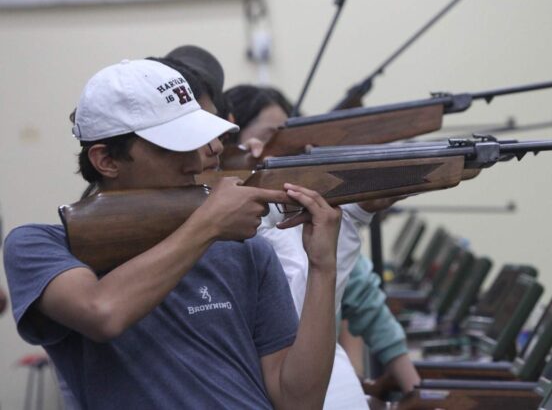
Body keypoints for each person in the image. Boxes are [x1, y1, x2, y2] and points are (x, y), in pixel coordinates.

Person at [3, 59, 341, 409]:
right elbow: (102, 312)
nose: (206, 154)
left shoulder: (244, 248)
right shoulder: (42, 246)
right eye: (175, 143)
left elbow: (299, 402)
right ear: (106, 160)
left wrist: (322, 267)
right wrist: (208, 225)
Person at [224, 84, 421, 399]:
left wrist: (355, 215)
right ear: (233, 146)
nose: (285, 150)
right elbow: (297, 316)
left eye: (288, 138)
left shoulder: (300, 220)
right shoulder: (242, 232)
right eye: (268, 137)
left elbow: (359, 296)